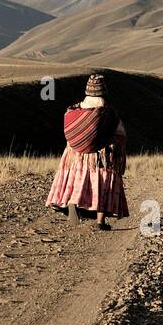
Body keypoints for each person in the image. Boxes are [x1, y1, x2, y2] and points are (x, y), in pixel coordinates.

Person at [47, 73, 129, 231]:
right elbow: (120, 135)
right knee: (103, 185)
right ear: (104, 91)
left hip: (76, 153)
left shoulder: (77, 109)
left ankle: (73, 201)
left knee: (78, 179)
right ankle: (100, 221)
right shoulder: (107, 113)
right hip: (102, 156)